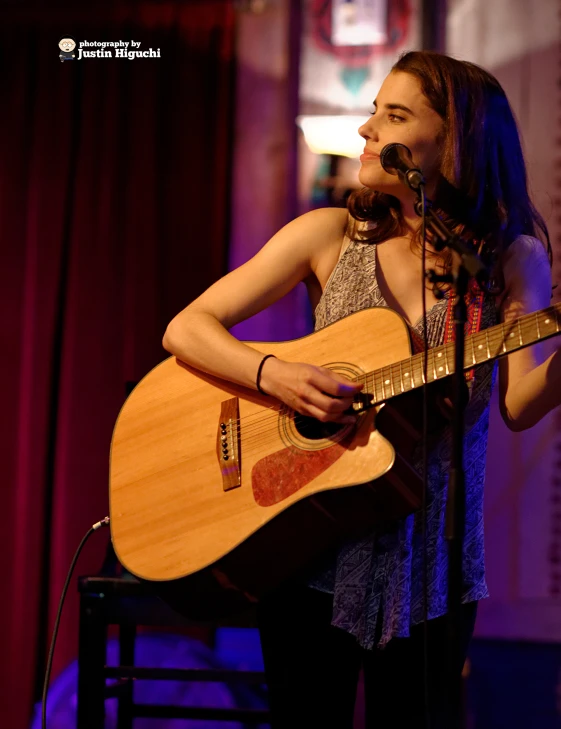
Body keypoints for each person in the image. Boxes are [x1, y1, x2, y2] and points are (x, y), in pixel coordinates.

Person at [162, 51, 561, 728]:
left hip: (431, 562)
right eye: (374, 109)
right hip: (308, 538)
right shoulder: (326, 235)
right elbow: (186, 327)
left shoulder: (508, 259)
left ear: (454, 139)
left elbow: (519, 405)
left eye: (394, 115)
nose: (365, 130)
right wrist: (275, 373)